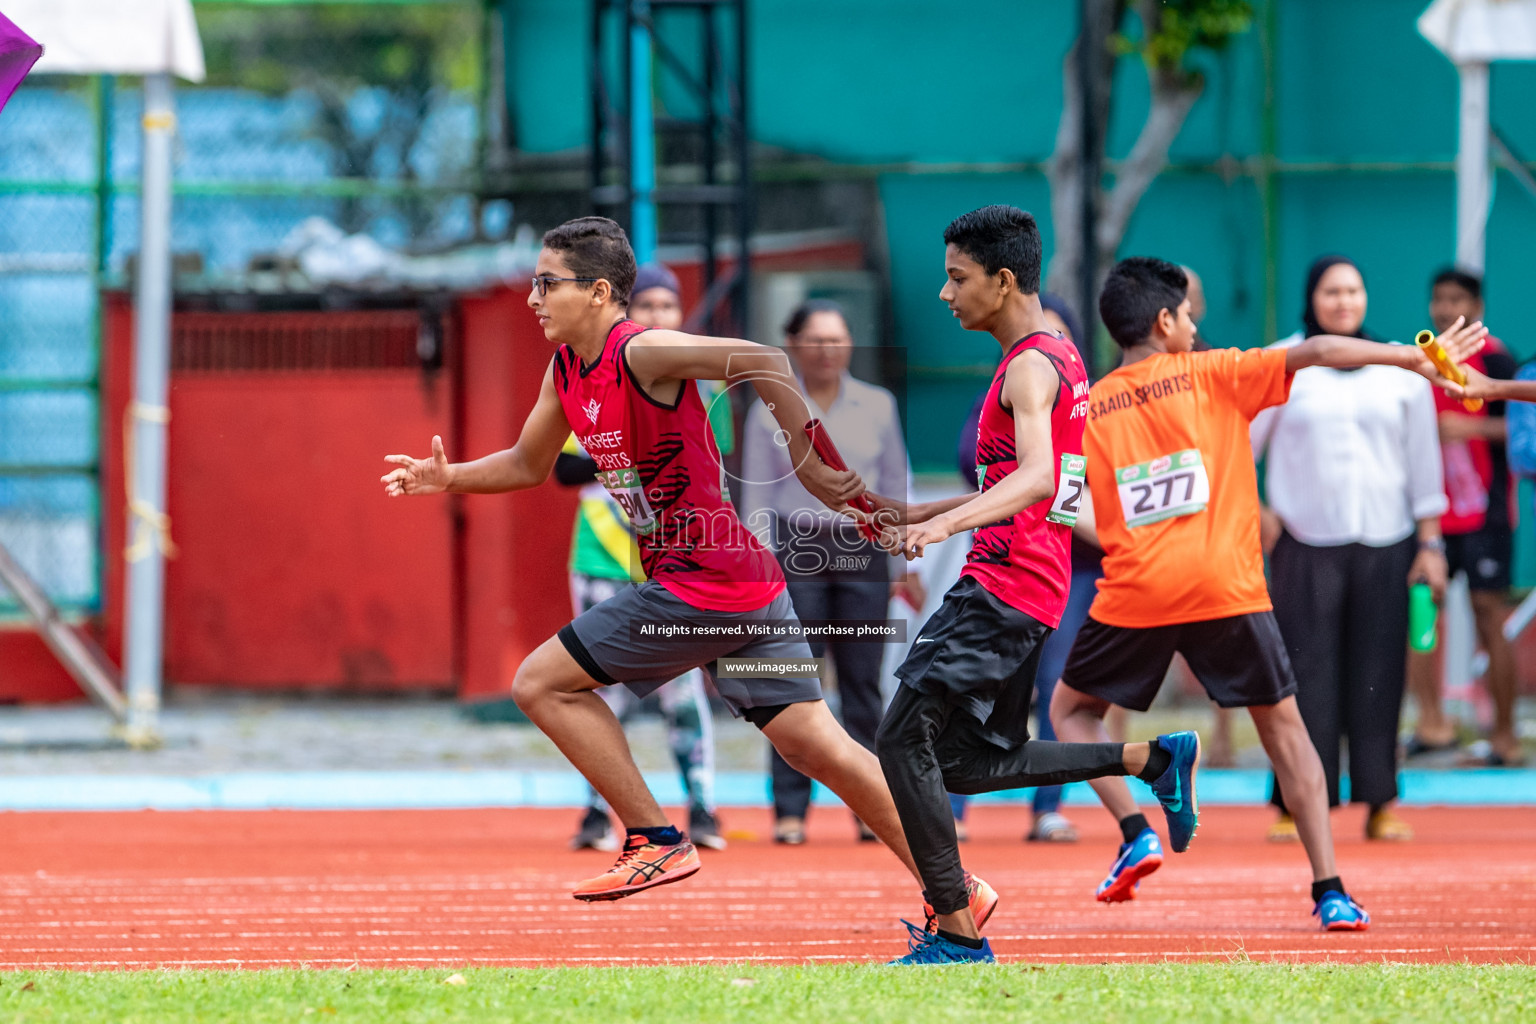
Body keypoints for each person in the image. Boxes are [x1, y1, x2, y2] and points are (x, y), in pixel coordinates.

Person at [381, 217, 998, 925]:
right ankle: (959, 893)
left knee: (540, 683)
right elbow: (528, 464)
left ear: (600, 290)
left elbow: (766, 358)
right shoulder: (567, 371)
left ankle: (653, 837)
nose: (532, 299)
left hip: (702, 585)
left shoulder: (645, 352)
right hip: (746, 588)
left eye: (547, 284)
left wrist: (820, 467)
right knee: (818, 747)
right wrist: (447, 477)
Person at [1051, 256, 1474, 930]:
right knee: (1286, 733)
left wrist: (1131, 543)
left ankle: (1135, 829)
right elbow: (1315, 350)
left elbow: (1062, 504)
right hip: (1228, 586)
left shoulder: (1089, 406)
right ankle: (1330, 887)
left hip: (1138, 589)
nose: (1195, 325)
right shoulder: (1217, 372)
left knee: (1070, 712)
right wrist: (1407, 356)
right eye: (1189, 315)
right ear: (1165, 322)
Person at [863, 208, 1201, 966]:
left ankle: (957, 933)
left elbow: (1041, 478)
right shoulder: (1064, 357)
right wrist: (920, 512)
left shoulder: (1028, 367)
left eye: (957, 277)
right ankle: (1149, 760)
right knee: (971, 761)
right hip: (1032, 592)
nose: (945, 294)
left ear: (1003, 279)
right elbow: (1055, 492)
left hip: (999, 589)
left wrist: (941, 533)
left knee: (897, 739)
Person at [1251, 255, 1450, 845]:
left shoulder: (1399, 366)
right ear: (1312, 297)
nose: (1343, 302)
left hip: (1388, 541)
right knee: (1302, 675)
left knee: (1380, 674)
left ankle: (1379, 801)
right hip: (1303, 543)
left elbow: (1424, 461)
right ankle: (1295, 800)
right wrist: (1256, 509)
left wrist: (1431, 544)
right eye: (1332, 291)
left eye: (1353, 291)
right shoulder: (1284, 363)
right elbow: (1238, 441)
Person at [557, 263, 727, 854]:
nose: (657, 317)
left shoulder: (703, 390)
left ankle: (702, 807)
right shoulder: (596, 377)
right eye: (646, 305)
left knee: (683, 695)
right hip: (603, 557)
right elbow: (561, 467)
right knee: (591, 694)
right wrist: (624, 454)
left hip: (676, 566)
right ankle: (596, 815)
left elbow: (721, 470)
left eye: (668, 307)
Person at [739, 299, 921, 845]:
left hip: (863, 545)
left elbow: (894, 483)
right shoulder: (769, 406)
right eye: (816, 340)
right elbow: (754, 492)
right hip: (793, 551)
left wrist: (900, 561)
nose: (828, 350)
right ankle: (790, 811)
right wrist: (761, 567)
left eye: (838, 339)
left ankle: (871, 808)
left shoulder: (879, 404)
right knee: (789, 682)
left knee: (865, 683)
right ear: (793, 344)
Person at [948, 293, 1097, 844]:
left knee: (1055, 685)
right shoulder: (1004, 387)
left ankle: (1047, 808)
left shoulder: (1079, 395)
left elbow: (1067, 486)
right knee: (974, 686)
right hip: (998, 556)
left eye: (1059, 338)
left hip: (1062, 564)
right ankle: (954, 809)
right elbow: (979, 466)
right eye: (1039, 337)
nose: (1047, 349)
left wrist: (1074, 520)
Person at [1406, 268, 1525, 768]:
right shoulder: (1417, 360)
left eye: (1455, 298)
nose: (1444, 307)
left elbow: (1520, 426)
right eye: (1438, 298)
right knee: (1421, 616)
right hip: (1431, 512)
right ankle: (1432, 724)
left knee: (1488, 616)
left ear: (1476, 306)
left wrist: (1469, 428)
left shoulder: (1498, 358)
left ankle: (1503, 734)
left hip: (1486, 512)